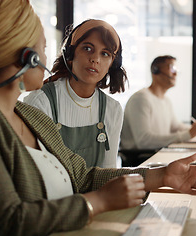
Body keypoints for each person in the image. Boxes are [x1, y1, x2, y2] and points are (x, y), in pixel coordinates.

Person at [0, 1, 196, 236]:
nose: (48, 55)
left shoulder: (29, 115)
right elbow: (7, 224)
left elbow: (82, 176)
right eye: (42, 47)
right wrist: (97, 203)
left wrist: (160, 175)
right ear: (26, 56)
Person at [24, 19, 125, 168]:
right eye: (87, 49)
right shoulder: (40, 102)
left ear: (112, 64)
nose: (95, 59)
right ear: (70, 54)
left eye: (105, 54)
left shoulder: (113, 109)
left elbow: (108, 172)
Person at [121, 55, 196, 150]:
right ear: (155, 70)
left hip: (159, 153)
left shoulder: (166, 101)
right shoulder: (140, 99)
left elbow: (176, 126)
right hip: (142, 159)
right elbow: (144, 141)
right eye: (171, 68)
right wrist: (187, 134)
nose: (175, 73)